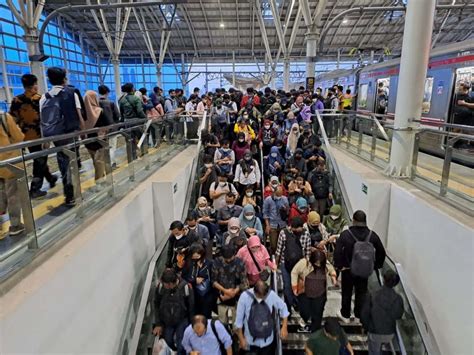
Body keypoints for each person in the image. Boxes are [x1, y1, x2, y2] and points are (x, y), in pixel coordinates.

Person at [39, 67, 85, 206]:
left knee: (63, 162)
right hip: (70, 133)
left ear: (49, 79)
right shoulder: (72, 93)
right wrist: (83, 131)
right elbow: (79, 114)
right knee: (72, 162)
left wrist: (45, 140)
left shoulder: (44, 97)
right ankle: (73, 194)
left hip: (55, 135)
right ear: (64, 78)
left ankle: (70, 194)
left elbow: (42, 120)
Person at [9, 74, 57, 198]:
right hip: (40, 136)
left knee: (39, 159)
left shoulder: (16, 100)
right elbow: (47, 120)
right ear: (35, 84)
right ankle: (35, 189)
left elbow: (13, 120)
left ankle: (50, 178)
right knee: (40, 161)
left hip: (26, 137)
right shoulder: (40, 99)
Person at [334, 210, 386, 323]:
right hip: (364, 269)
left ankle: (346, 314)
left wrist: (338, 266)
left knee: (347, 292)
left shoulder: (345, 235)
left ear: (354, 220)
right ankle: (358, 315)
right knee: (361, 292)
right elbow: (382, 252)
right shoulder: (372, 235)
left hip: (348, 270)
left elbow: (337, 252)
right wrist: (375, 265)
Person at [235, 280, 289, 355]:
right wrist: (241, 339)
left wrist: (284, 327)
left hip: (267, 341)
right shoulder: (244, 296)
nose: (261, 299)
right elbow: (239, 320)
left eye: (263, 296)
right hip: (250, 342)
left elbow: (283, 307)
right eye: (260, 296)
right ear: (255, 292)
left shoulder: (271, 294)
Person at [292, 249, 337, 332]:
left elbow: (331, 269)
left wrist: (333, 277)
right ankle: (305, 321)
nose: (318, 264)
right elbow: (294, 272)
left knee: (318, 315)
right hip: (305, 293)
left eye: (320, 263)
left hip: (320, 295)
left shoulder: (325, 263)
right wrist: (294, 286)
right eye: (316, 262)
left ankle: (315, 332)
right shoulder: (304, 263)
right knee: (305, 312)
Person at [361, 270, 404, 355]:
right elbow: (398, 315)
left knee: (374, 350)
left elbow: (364, 314)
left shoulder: (372, 295)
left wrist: (366, 327)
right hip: (389, 333)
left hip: (374, 332)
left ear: (383, 279)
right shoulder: (398, 299)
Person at [153, 268, 194, 355]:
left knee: (181, 343)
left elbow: (191, 307)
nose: (167, 287)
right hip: (167, 321)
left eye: (168, 285)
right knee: (168, 341)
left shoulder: (185, 287)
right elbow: (156, 304)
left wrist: (192, 325)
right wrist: (158, 324)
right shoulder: (161, 288)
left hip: (182, 319)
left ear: (172, 283)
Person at [275, 216, 312, 312]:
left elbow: (308, 252)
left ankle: (295, 303)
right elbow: (279, 251)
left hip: (300, 265)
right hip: (285, 263)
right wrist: (276, 265)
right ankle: (289, 305)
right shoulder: (284, 233)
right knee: (287, 286)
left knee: (297, 286)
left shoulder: (306, 234)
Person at [0, 112, 26, 236]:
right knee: (13, 193)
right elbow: (19, 137)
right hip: (9, 161)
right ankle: (15, 225)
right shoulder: (4, 117)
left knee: (1, 192)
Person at [212, 244, 249, 326]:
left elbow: (244, 282)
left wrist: (233, 292)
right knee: (222, 322)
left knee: (237, 323)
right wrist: (225, 291)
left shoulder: (240, 263)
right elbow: (213, 281)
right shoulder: (217, 262)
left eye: (230, 258)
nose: (228, 260)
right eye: (226, 259)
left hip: (236, 296)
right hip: (221, 295)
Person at [83, 90, 114, 183]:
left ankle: (102, 179)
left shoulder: (83, 112)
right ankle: (99, 181)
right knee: (100, 161)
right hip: (100, 140)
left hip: (88, 140)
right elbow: (108, 124)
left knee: (95, 161)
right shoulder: (99, 111)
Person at [182, 243, 214, 318]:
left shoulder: (209, 263)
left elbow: (213, 276)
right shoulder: (188, 263)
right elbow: (184, 277)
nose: (196, 256)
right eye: (194, 254)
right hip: (193, 292)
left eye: (198, 254)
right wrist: (194, 280)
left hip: (206, 294)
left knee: (206, 314)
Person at [98, 85, 120, 167]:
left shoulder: (96, 103)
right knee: (112, 146)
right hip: (111, 128)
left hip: (99, 130)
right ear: (107, 92)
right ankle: (111, 163)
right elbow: (117, 115)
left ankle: (104, 164)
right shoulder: (111, 103)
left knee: (102, 147)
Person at [262, 185, 289, 255]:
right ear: (274, 192)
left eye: (280, 195)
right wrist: (267, 225)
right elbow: (265, 213)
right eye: (278, 195)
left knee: (283, 244)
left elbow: (288, 212)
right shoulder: (268, 200)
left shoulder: (284, 199)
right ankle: (273, 258)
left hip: (282, 224)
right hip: (272, 225)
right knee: (273, 245)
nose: (279, 196)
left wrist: (285, 209)